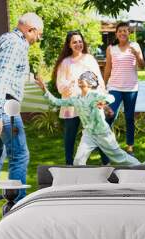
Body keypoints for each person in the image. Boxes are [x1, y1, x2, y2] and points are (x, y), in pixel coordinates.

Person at [0, 13, 43, 204]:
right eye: (39, 34)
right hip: (3, 105)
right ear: (30, 30)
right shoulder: (16, 44)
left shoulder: (8, 39)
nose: (38, 39)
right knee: (20, 154)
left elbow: (7, 73)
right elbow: (0, 78)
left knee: (1, 147)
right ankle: (17, 202)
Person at [37, 71, 145, 166]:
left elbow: (111, 97)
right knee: (78, 161)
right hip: (88, 134)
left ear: (91, 84)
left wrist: (104, 101)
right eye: (81, 77)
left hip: (103, 133)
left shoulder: (96, 95)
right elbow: (57, 102)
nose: (81, 79)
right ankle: (84, 184)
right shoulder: (75, 99)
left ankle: (142, 166)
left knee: (119, 157)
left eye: (85, 78)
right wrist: (44, 90)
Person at [52, 31, 109, 165]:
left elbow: (99, 80)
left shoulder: (89, 59)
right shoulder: (65, 63)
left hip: (90, 104)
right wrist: (71, 84)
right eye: (74, 42)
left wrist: (102, 98)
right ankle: (69, 164)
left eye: (80, 41)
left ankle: (106, 163)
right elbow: (60, 85)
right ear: (69, 45)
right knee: (70, 136)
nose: (78, 44)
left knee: (97, 133)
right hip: (72, 105)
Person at [104, 22, 145, 156]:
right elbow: (108, 68)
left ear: (129, 33)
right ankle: (108, 144)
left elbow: (143, 66)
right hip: (114, 87)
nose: (122, 33)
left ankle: (130, 147)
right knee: (109, 115)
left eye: (125, 31)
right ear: (116, 33)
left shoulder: (135, 46)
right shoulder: (111, 48)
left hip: (131, 88)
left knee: (129, 117)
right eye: (120, 31)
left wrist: (137, 55)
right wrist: (103, 86)